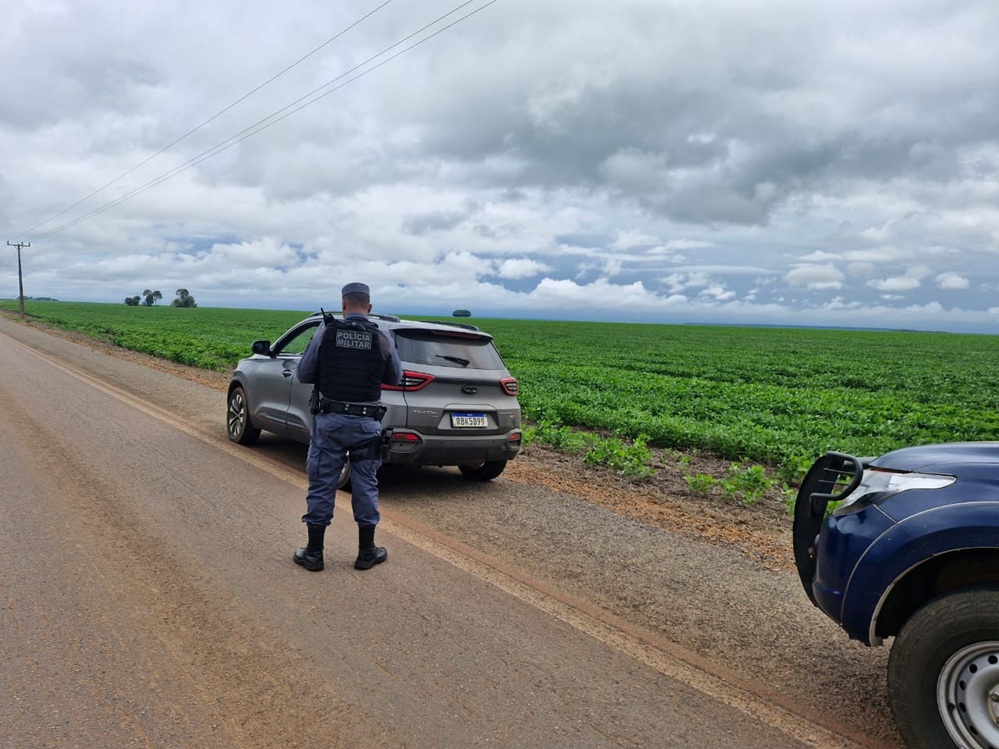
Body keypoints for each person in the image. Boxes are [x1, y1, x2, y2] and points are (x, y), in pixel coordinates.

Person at [293, 282, 402, 572]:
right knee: (366, 485)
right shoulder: (381, 338)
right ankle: (367, 552)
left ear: (343, 306)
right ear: (369, 308)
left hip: (329, 422)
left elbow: (304, 374)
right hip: (367, 424)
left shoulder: (325, 333)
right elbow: (395, 376)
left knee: (322, 484)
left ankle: (314, 553)